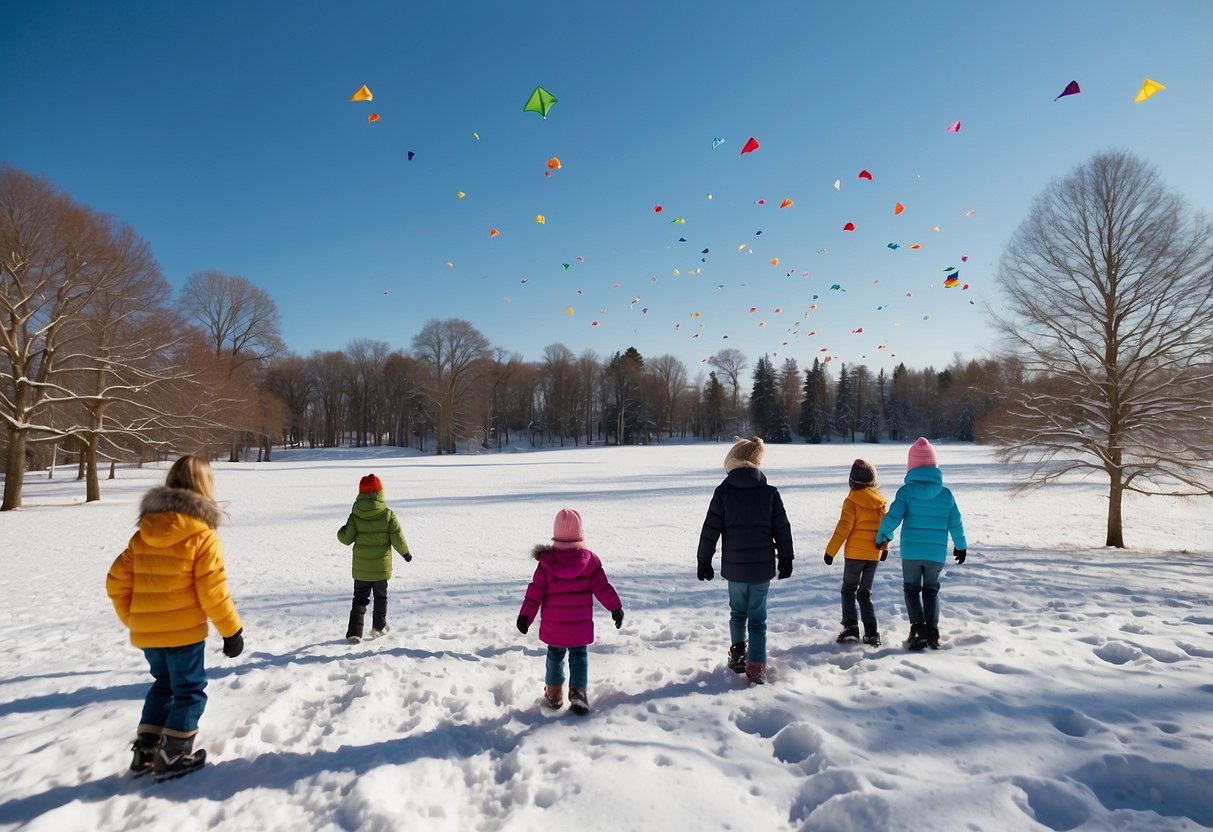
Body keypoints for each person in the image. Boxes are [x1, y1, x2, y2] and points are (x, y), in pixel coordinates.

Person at [106, 454, 244, 782]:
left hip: (149, 634)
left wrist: (137, 618)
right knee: (189, 691)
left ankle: (146, 751)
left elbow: (115, 581)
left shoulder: (143, 534)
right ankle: (173, 754)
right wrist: (232, 631)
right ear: (204, 486)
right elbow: (212, 591)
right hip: (183, 634)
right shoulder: (202, 536)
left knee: (163, 684)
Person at [696, 436, 795, 685]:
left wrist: (704, 560)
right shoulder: (770, 494)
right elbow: (782, 529)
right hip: (761, 569)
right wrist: (786, 557)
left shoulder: (723, 492)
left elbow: (710, 529)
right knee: (758, 619)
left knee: (738, 613)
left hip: (735, 570)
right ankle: (756, 666)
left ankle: (738, 653)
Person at [516, 508, 623, 715]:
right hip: (579, 626)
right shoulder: (590, 561)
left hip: (554, 626)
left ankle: (554, 695)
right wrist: (615, 607)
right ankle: (578, 693)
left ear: (555, 533)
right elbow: (603, 588)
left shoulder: (546, 563)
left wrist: (525, 616)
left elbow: (534, 593)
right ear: (580, 533)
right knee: (579, 655)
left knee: (555, 655)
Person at [876, 438, 968, 650]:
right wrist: (960, 545)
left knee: (911, 588)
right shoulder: (946, 495)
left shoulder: (906, 492)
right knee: (931, 590)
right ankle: (933, 632)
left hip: (911, 553)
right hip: (935, 554)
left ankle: (918, 628)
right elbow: (956, 522)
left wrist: (882, 536)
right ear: (934, 466)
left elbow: (892, 518)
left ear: (912, 467)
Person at [337, 474, 411, 643]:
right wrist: (406, 554)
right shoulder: (387, 515)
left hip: (361, 569)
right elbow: (397, 537)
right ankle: (378, 626)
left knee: (359, 599)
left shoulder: (355, 515)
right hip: (381, 568)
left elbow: (345, 538)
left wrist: (341, 530)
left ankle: (355, 631)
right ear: (380, 493)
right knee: (381, 598)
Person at [824, 459, 889, 647]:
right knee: (865, 593)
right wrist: (884, 548)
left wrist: (830, 551)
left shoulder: (851, 501)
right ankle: (871, 632)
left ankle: (851, 627)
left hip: (854, 555)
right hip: (873, 555)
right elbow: (884, 528)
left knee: (848, 590)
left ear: (852, 481)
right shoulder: (880, 503)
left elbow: (843, 529)